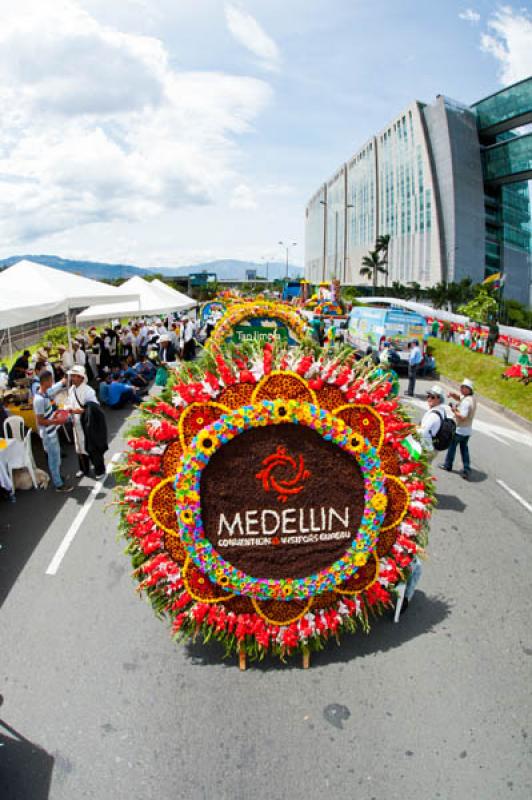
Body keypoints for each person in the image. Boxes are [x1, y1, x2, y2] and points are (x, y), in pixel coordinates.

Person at [33, 371, 73, 493]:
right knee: (53, 459)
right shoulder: (39, 399)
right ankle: (58, 485)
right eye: (51, 380)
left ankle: (57, 478)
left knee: (56, 457)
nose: (52, 382)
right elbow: (40, 421)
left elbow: (46, 414)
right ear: (45, 382)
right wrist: (56, 421)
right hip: (48, 434)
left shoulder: (44, 394)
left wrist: (54, 415)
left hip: (51, 431)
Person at [66, 366, 107, 478]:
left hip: (87, 424)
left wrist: (77, 411)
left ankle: (100, 470)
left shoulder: (89, 391)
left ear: (81, 378)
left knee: (92, 447)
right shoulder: (71, 390)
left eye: (74, 376)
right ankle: (84, 469)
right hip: (76, 423)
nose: (72, 378)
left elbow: (93, 408)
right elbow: (69, 403)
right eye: (72, 376)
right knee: (79, 448)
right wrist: (67, 409)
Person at [440, 378, 477, 480]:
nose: (461, 388)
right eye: (461, 387)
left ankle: (448, 465)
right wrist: (452, 394)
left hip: (459, 430)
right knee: (464, 450)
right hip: (467, 430)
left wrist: (454, 410)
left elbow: (462, 416)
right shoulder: (471, 398)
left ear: (468, 389)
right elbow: (459, 397)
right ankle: (466, 469)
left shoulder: (466, 403)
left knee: (452, 447)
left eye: (464, 387)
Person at [419, 385, 449, 460]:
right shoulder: (442, 410)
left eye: (432, 397)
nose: (429, 399)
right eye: (428, 396)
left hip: (425, 448)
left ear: (439, 399)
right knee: (424, 470)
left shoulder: (433, 415)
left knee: (417, 470)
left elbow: (423, 432)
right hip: (432, 448)